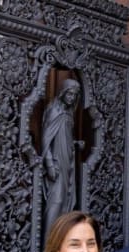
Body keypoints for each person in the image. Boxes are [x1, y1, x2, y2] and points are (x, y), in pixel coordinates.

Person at [42, 78, 82, 229]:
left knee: (65, 201)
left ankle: (58, 241)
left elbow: (64, 137)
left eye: (74, 95)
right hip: (56, 162)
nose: (71, 98)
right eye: (69, 94)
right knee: (56, 200)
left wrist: (75, 144)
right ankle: (47, 245)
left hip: (67, 162)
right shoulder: (54, 111)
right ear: (63, 93)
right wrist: (50, 164)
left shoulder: (68, 113)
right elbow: (46, 140)